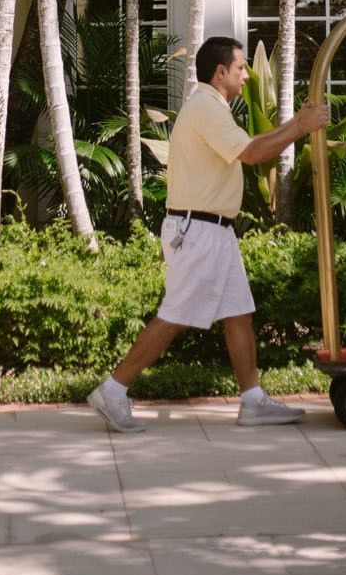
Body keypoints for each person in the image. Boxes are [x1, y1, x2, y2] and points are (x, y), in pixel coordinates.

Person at [88, 34, 331, 435]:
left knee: (238, 313)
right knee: (174, 317)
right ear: (220, 73)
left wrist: (297, 124)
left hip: (213, 230)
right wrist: (301, 127)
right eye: (240, 70)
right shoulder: (206, 108)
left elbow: (250, 145)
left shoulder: (210, 107)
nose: (245, 78)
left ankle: (252, 400)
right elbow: (252, 154)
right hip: (198, 230)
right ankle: (113, 391)